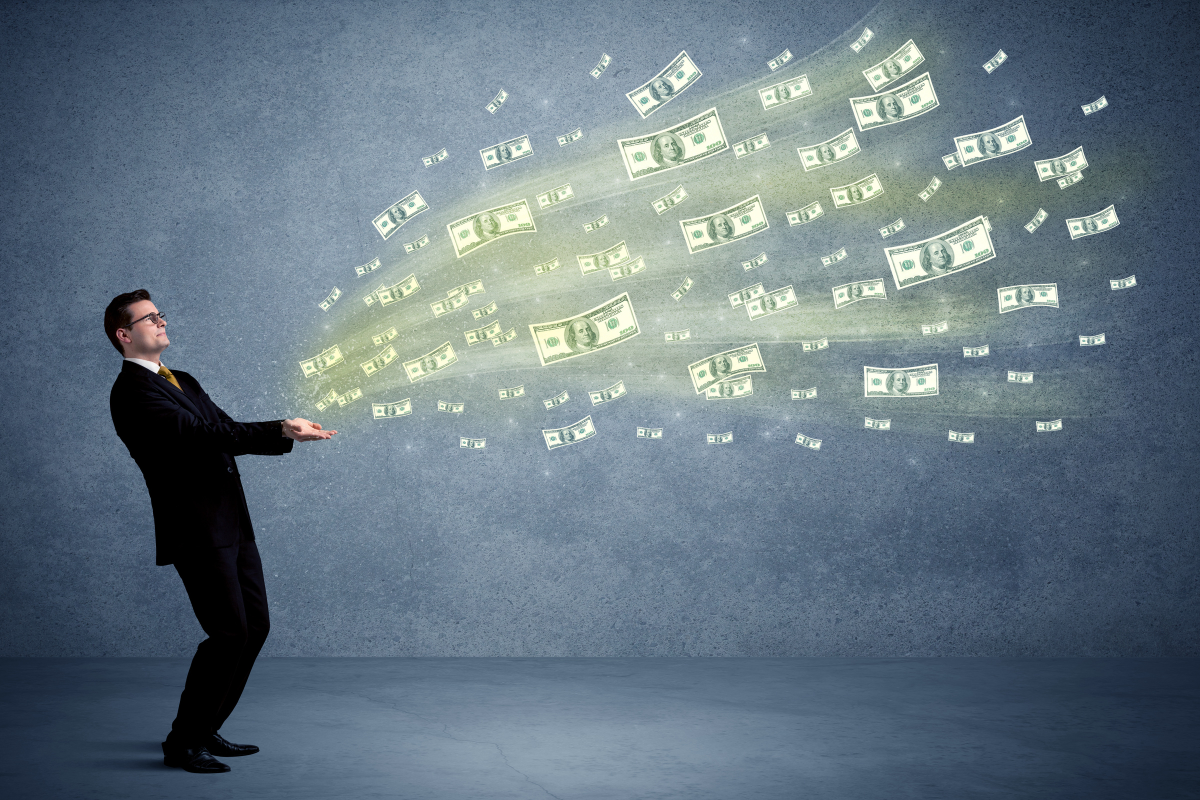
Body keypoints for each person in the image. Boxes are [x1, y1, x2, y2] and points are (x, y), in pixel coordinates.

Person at [106, 290, 335, 774]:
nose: (161, 321)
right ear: (124, 335)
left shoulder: (182, 379)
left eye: (161, 313)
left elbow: (225, 428)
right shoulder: (131, 393)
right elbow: (203, 437)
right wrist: (280, 428)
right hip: (196, 529)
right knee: (228, 632)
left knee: (255, 628)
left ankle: (205, 728)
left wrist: (282, 434)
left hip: (233, 522)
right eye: (149, 318)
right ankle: (182, 743)